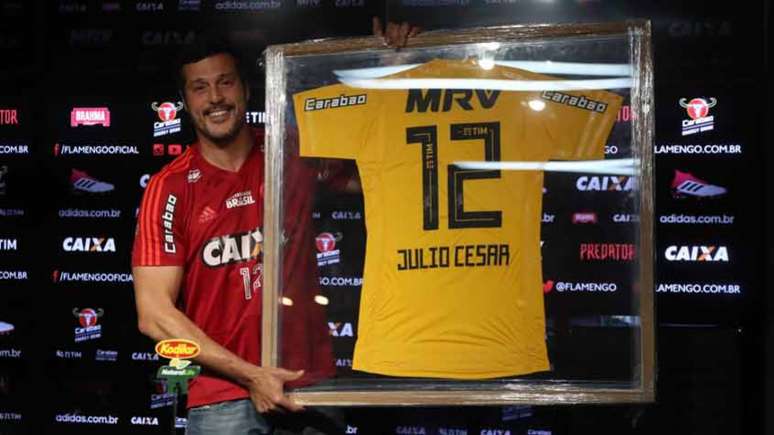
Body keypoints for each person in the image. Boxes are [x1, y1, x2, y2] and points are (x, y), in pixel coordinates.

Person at [131, 18, 420, 435]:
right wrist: (250, 375)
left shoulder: (290, 149)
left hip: (310, 385)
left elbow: (386, 170)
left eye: (226, 82)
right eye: (200, 87)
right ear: (185, 101)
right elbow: (154, 316)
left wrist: (393, 65)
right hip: (222, 397)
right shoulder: (169, 187)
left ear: (247, 88)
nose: (215, 98)